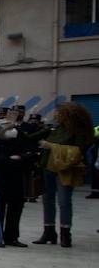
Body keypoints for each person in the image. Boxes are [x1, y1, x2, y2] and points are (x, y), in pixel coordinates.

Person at [34, 101, 95, 248]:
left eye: (59, 113)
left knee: (64, 201)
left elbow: (79, 149)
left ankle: (65, 233)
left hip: (65, 169)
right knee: (47, 200)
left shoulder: (79, 131)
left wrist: (51, 146)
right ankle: (48, 231)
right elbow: (33, 137)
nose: (56, 115)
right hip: (48, 166)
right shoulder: (56, 128)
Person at [0, 105, 30, 248]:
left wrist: (18, 159)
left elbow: (27, 157)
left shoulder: (16, 143)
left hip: (15, 182)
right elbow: (1, 162)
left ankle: (12, 237)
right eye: (8, 129)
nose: (12, 131)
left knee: (15, 209)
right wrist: (13, 160)